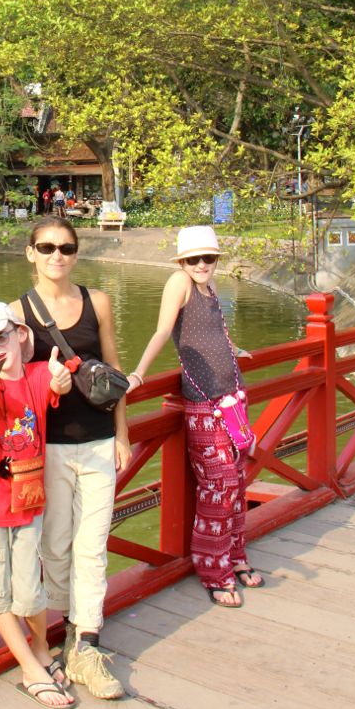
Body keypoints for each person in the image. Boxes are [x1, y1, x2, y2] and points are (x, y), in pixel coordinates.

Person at [0, 216, 131, 700]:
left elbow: (113, 369)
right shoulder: (15, 313)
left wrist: (123, 433)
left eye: (67, 247)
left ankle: (86, 644)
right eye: (47, 247)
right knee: (54, 548)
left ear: (77, 252)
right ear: (31, 253)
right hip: (44, 450)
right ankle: (59, 635)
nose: (58, 255)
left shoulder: (97, 301)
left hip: (98, 440)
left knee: (92, 546)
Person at [126, 226, 264, 608]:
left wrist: (236, 348)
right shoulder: (179, 283)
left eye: (209, 258)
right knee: (218, 487)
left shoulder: (211, 286)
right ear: (182, 262)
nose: (201, 265)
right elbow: (162, 331)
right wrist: (138, 373)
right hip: (204, 403)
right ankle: (213, 569)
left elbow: (215, 329)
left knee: (237, 484)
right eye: (193, 259)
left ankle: (235, 556)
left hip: (232, 396)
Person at [0, 300, 75, 709]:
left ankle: (41, 649)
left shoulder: (40, 374)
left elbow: (59, 383)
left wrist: (62, 380)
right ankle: (29, 668)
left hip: (28, 501)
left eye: (0, 336)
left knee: (29, 589)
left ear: (19, 334)